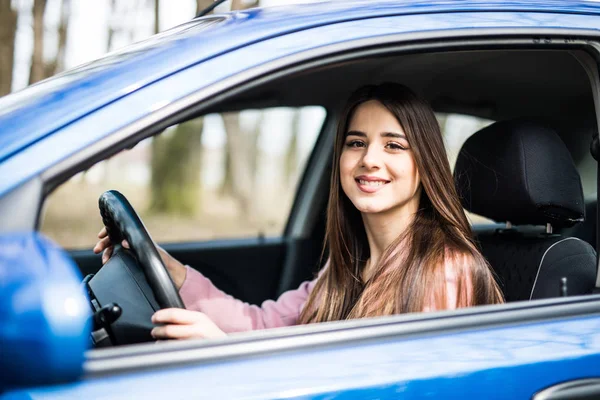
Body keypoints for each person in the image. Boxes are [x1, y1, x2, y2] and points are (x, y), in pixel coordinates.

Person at [94, 83, 504, 340]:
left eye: (394, 145)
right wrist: (167, 268)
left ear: (424, 166)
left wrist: (223, 357)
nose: (369, 160)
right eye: (356, 143)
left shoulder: (445, 272)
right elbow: (258, 325)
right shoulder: (345, 268)